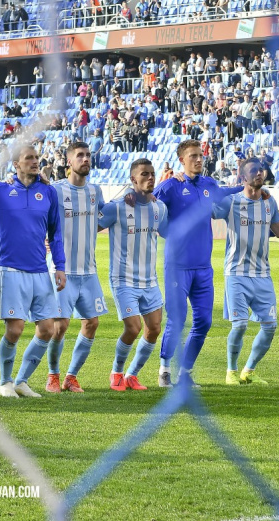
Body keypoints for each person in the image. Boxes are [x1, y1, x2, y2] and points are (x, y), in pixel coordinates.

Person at [0, 145, 66, 398]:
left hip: (39, 270)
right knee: (14, 330)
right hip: (11, 268)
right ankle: (5, 382)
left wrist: (60, 267)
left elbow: (55, 233)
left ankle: (22, 381)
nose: (35, 162)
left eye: (36, 158)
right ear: (15, 164)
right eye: (29, 158)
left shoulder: (48, 191)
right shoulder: (2, 190)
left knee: (47, 329)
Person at [152, 139, 242, 386]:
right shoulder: (170, 186)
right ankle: (164, 371)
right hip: (177, 266)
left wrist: (250, 188)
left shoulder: (208, 184)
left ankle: (185, 374)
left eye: (200, 155)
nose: (199, 159)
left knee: (204, 321)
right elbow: (148, 203)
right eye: (193, 156)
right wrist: (169, 231)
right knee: (177, 319)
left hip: (203, 266)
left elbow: (225, 192)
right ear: (182, 160)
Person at [213, 158, 279, 385]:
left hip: (263, 275)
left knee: (270, 327)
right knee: (240, 324)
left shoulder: (269, 203)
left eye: (260, 170)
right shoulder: (231, 202)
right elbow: (210, 212)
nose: (259, 173)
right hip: (236, 273)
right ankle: (231, 371)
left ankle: (248, 370)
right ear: (242, 177)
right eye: (253, 171)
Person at [99, 159, 168, 390]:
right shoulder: (118, 207)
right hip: (123, 279)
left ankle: (132, 374)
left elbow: (169, 231)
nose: (150, 178)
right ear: (133, 179)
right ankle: (116, 372)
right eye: (144, 174)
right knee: (133, 328)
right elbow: (91, 226)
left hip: (150, 280)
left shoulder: (160, 207)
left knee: (155, 329)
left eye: (152, 174)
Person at [44, 142, 106, 393]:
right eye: (80, 155)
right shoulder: (56, 190)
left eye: (88, 155)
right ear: (69, 161)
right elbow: (39, 216)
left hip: (89, 271)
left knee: (91, 323)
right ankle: (53, 375)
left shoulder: (96, 191)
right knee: (59, 326)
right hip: (63, 270)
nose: (85, 159)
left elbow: (103, 218)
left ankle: (71, 376)